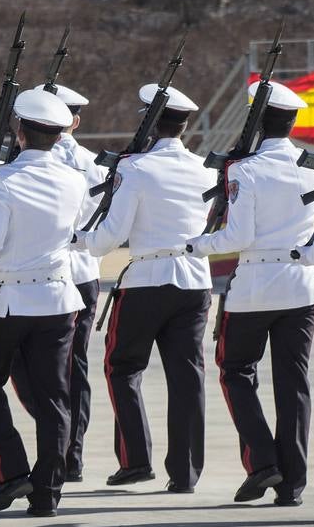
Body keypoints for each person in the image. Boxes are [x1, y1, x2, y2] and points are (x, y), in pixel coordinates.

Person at [0, 90, 87, 517]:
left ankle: (12, 472)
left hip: (7, 302)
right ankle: (47, 491)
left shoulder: (2, 180)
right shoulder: (75, 178)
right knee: (53, 398)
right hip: (58, 297)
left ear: (19, 132)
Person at [76, 83, 216, 494]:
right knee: (188, 375)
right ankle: (186, 472)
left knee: (122, 368)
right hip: (194, 281)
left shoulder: (134, 169)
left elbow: (111, 235)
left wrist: (83, 239)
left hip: (146, 282)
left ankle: (136, 459)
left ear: (149, 124)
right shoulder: (204, 168)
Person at [196, 82, 314, 507]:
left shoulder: (244, 170)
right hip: (301, 287)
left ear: (255, 121)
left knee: (235, 370)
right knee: (293, 384)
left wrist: (199, 244)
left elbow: (238, 235)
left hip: (253, 290)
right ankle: (292, 486)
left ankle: (264, 461)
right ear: (292, 121)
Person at [10, 84, 105, 483]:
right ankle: (70, 452)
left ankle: (61, 447)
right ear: (74, 121)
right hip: (81, 276)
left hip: (46, 277)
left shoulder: (24, 161)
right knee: (73, 370)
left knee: (30, 371)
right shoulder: (93, 164)